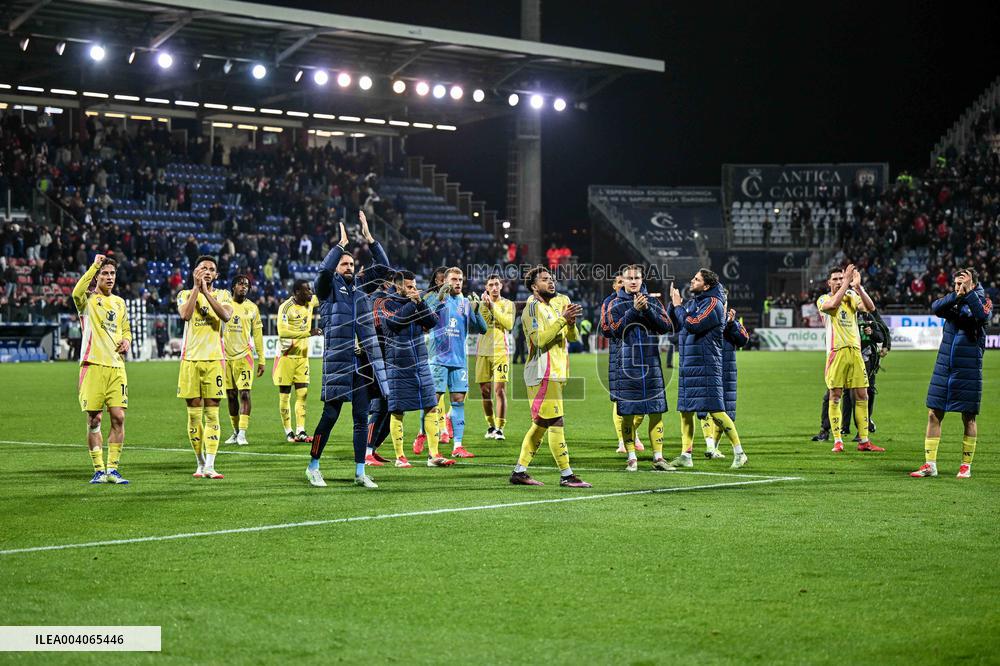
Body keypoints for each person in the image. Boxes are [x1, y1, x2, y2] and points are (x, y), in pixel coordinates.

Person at [306, 222, 390, 489]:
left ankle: (359, 471)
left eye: (352, 264)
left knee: (360, 419)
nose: (349, 268)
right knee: (330, 416)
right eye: (344, 264)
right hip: (338, 362)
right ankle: (313, 466)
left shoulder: (361, 289)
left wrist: (370, 239)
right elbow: (322, 272)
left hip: (362, 365)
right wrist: (339, 246)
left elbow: (385, 269)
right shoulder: (327, 290)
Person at [509, 266, 591, 488]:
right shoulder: (532, 309)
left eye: (552, 279)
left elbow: (572, 338)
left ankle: (519, 471)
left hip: (557, 372)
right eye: (545, 280)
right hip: (542, 373)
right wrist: (563, 320)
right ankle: (567, 475)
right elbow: (540, 340)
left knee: (540, 425)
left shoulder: (554, 307)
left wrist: (570, 323)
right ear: (535, 287)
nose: (551, 282)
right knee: (556, 421)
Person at [912, 269, 992, 479]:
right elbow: (936, 307)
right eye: (956, 283)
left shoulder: (984, 301)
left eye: (962, 283)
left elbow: (982, 316)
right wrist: (957, 295)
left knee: (969, 417)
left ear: (973, 284)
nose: (958, 287)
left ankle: (965, 465)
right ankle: (930, 464)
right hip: (945, 365)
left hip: (969, 367)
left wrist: (968, 295)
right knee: (933, 413)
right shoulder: (953, 300)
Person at [667, 269, 747, 470]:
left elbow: (693, 324)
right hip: (689, 363)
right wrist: (673, 305)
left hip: (705, 364)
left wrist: (678, 306)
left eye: (696, 279)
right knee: (685, 411)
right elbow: (679, 323)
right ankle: (686, 455)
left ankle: (739, 453)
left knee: (717, 411)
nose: (691, 281)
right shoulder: (696, 302)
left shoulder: (713, 304)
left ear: (707, 285)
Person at [375, 270, 455, 468]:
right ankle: (400, 457)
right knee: (397, 411)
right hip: (397, 364)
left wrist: (420, 303)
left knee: (431, 406)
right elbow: (394, 323)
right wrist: (413, 303)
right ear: (398, 285)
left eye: (414, 286)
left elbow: (433, 322)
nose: (414, 290)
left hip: (420, 362)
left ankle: (434, 454)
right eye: (409, 287)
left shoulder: (416, 302)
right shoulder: (384, 303)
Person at [605, 264, 674, 471]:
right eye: (629, 278)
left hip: (651, 363)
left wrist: (647, 311)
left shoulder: (652, 302)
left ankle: (658, 457)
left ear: (642, 280)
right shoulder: (614, 304)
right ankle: (632, 457)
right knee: (627, 412)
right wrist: (634, 311)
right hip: (626, 365)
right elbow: (614, 331)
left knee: (656, 411)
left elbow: (666, 327)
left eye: (637, 277)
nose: (633, 281)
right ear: (623, 281)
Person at [72, 254, 131, 484]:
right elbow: (76, 292)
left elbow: (126, 329)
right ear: (97, 277)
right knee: (95, 419)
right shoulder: (87, 301)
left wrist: (127, 341)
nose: (109, 277)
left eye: (112, 273)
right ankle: (98, 470)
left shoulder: (119, 302)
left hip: (117, 367)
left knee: (119, 417)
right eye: (104, 273)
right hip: (93, 365)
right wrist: (95, 264)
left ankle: (113, 469)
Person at [177, 255, 233, 479]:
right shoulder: (183, 295)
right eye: (203, 268)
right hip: (190, 360)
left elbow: (226, 315)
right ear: (195, 272)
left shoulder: (223, 295)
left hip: (214, 361)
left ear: (216, 275)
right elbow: (186, 314)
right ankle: (199, 463)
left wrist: (206, 293)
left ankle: (210, 464)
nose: (207, 272)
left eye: (211, 269)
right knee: (193, 417)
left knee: (212, 415)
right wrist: (195, 289)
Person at [817, 264, 882, 453]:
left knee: (862, 394)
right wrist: (846, 282)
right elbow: (833, 305)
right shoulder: (823, 299)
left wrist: (859, 287)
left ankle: (864, 440)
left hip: (855, 351)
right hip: (836, 352)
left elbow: (870, 308)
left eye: (840, 278)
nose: (838, 281)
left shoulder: (852, 297)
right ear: (829, 282)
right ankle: (838, 440)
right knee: (835, 395)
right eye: (835, 279)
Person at [422, 267, 487, 458]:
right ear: (445, 281)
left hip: (459, 361)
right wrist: (437, 300)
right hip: (438, 359)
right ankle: (432, 447)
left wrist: (478, 310)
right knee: (432, 403)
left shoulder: (465, 303)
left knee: (458, 402)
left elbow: (482, 329)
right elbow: (425, 319)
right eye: (454, 279)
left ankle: (457, 446)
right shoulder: (436, 299)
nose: (458, 283)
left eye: (460, 280)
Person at [600, 275, 645, 454]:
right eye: (619, 282)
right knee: (621, 401)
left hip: (641, 355)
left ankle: (632, 432)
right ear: (615, 286)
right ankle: (622, 439)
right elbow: (606, 328)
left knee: (641, 403)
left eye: (623, 281)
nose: (622, 285)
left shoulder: (641, 299)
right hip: (620, 353)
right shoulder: (610, 302)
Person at [273, 280, 320, 443]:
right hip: (286, 357)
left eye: (310, 289)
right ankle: (288, 431)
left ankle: (301, 430)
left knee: (303, 394)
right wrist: (308, 334)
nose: (310, 293)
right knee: (285, 396)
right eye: (307, 290)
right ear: (297, 292)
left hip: (302, 357)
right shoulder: (286, 307)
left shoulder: (310, 302)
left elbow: (326, 294)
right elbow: (282, 331)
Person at [701, 305, 749, 459]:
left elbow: (743, 340)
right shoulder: (705, 315)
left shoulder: (731, 321)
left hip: (726, 369)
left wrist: (731, 324)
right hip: (707, 366)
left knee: (724, 409)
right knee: (706, 407)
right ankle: (709, 445)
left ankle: (714, 447)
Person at [412, 266, 451, 453]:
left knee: (457, 396)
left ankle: (444, 426)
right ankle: (423, 433)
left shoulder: (457, 299)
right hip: (433, 352)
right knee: (433, 396)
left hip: (453, 353)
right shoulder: (428, 298)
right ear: (436, 281)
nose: (446, 282)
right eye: (443, 279)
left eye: (449, 278)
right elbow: (424, 322)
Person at [223, 275, 265, 446]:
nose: (244, 287)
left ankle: (242, 432)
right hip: (225, 357)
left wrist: (261, 359)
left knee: (245, 394)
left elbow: (258, 335)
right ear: (233, 287)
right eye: (240, 284)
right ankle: (234, 431)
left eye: (247, 285)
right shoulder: (224, 305)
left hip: (244, 357)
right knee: (231, 396)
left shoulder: (252, 308)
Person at [475, 273, 514, 441]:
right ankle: (490, 425)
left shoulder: (507, 304)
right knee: (485, 392)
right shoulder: (480, 304)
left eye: (497, 284)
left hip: (500, 352)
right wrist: (479, 307)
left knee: (499, 390)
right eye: (490, 285)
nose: (494, 287)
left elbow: (509, 324)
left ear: (501, 286)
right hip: (482, 352)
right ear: (486, 288)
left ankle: (500, 428)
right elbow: (477, 325)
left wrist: (493, 308)